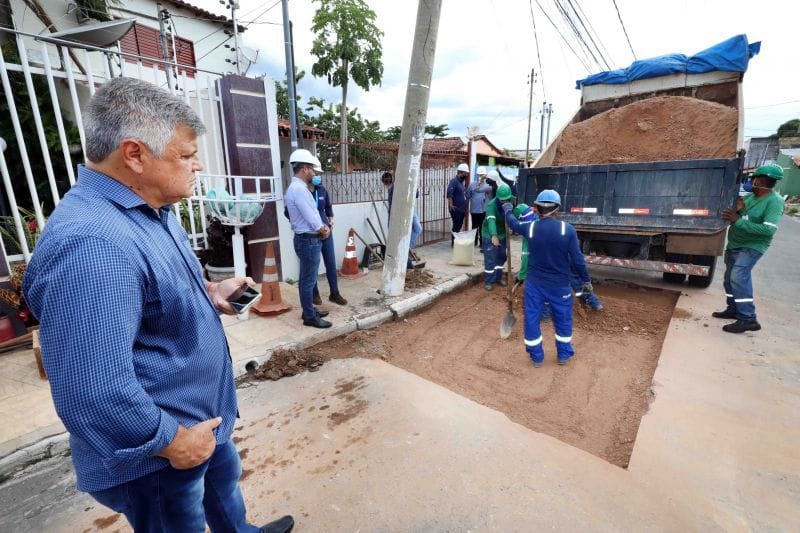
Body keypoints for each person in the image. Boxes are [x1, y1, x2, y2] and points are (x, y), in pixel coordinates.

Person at [22, 77, 293, 533]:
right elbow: (93, 387)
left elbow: (148, 297)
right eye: (186, 155)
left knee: (225, 497)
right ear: (134, 154)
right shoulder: (93, 244)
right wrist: (170, 442)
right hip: (160, 453)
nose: (198, 164)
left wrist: (209, 293)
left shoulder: (151, 210)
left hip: (198, 419)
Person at [503, 189, 593, 367]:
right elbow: (577, 260)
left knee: (532, 318)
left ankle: (536, 357)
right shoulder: (567, 230)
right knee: (563, 319)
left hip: (534, 285)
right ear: (557, 209)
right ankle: (564, 355)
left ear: (536, 208)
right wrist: (586, 281)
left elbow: (513, 224)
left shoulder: (531, 228)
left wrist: (507, 209)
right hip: (559, 287)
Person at [715, 163, 785, 333]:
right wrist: (738, 211)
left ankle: (748, 318)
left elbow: (768, 230)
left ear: (760, 181)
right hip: (735, 244)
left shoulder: (774, 202)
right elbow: (740, 215)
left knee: (738, 276)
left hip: (752, 246)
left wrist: (738, 220)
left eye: (753, 179)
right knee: (729, 279)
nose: (750, 182)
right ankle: (733, 309)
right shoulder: (749, 198)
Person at [285, 149, 333, 329]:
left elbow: (312, 212)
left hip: (307, 239)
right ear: (304, 169)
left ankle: (309, 310)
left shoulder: (298, 188)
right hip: (309, 239)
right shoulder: (298, 190)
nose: (314, 173)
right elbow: (310, 216)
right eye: (312, 169)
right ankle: (309, 316)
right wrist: (323, 228)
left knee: (307, 279)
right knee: (308, 280)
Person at [309, 176, 348, 306]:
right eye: (315, 172)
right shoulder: (302, 191)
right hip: (311, 234)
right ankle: (315, 294)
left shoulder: (322, 190)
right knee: (313, 265)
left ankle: (334, 293)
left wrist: (330, 221)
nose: (317, 176)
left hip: (326, 232)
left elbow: (328, 207)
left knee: (330, 262)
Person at [382, 171, 422, 269]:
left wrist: (412, 185)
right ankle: (406, 260)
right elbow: (392, 207)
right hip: (401, 215)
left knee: (418, 228)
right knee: (402, 238)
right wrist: (392, 222)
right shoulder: (393, 189)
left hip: (410, 211)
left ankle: (408, 249)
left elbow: (416, 194)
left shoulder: (407, 182)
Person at [481, 183, 514, 291]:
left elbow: (512, 215)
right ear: (498, 197)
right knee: (491, 257)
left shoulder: (511, 201)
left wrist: (512, 226)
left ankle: (498, 278)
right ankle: (489, 281)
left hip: (502, 232)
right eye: (502, 200)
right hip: (489, 233)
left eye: (506, 199)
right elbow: (491, 221)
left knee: (501, 256)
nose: (504, 202)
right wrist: (494, 235)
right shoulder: (491, 205)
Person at [467, 166, 492, 247]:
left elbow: (481, 190)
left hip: (483, 210)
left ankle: (482, 243)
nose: (480, 176)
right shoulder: (472, 185)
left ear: (485, 176)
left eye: (482, 175)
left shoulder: (488, 186)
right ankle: (474, 243)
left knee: (482, 228)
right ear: (477, 175)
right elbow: (467, 195)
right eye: (479, 175)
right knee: (474, 227)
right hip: (474, 210)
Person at [446, 162, 469, 246]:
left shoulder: (461, 182)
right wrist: (451, 205)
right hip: (456, 208)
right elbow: (449, 194)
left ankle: (456, 241)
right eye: (465, 173)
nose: (466, 175)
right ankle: (454, 242)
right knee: (456, 225)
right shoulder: (454, 181)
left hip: (461, 208)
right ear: (460, 172)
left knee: (459, 225)